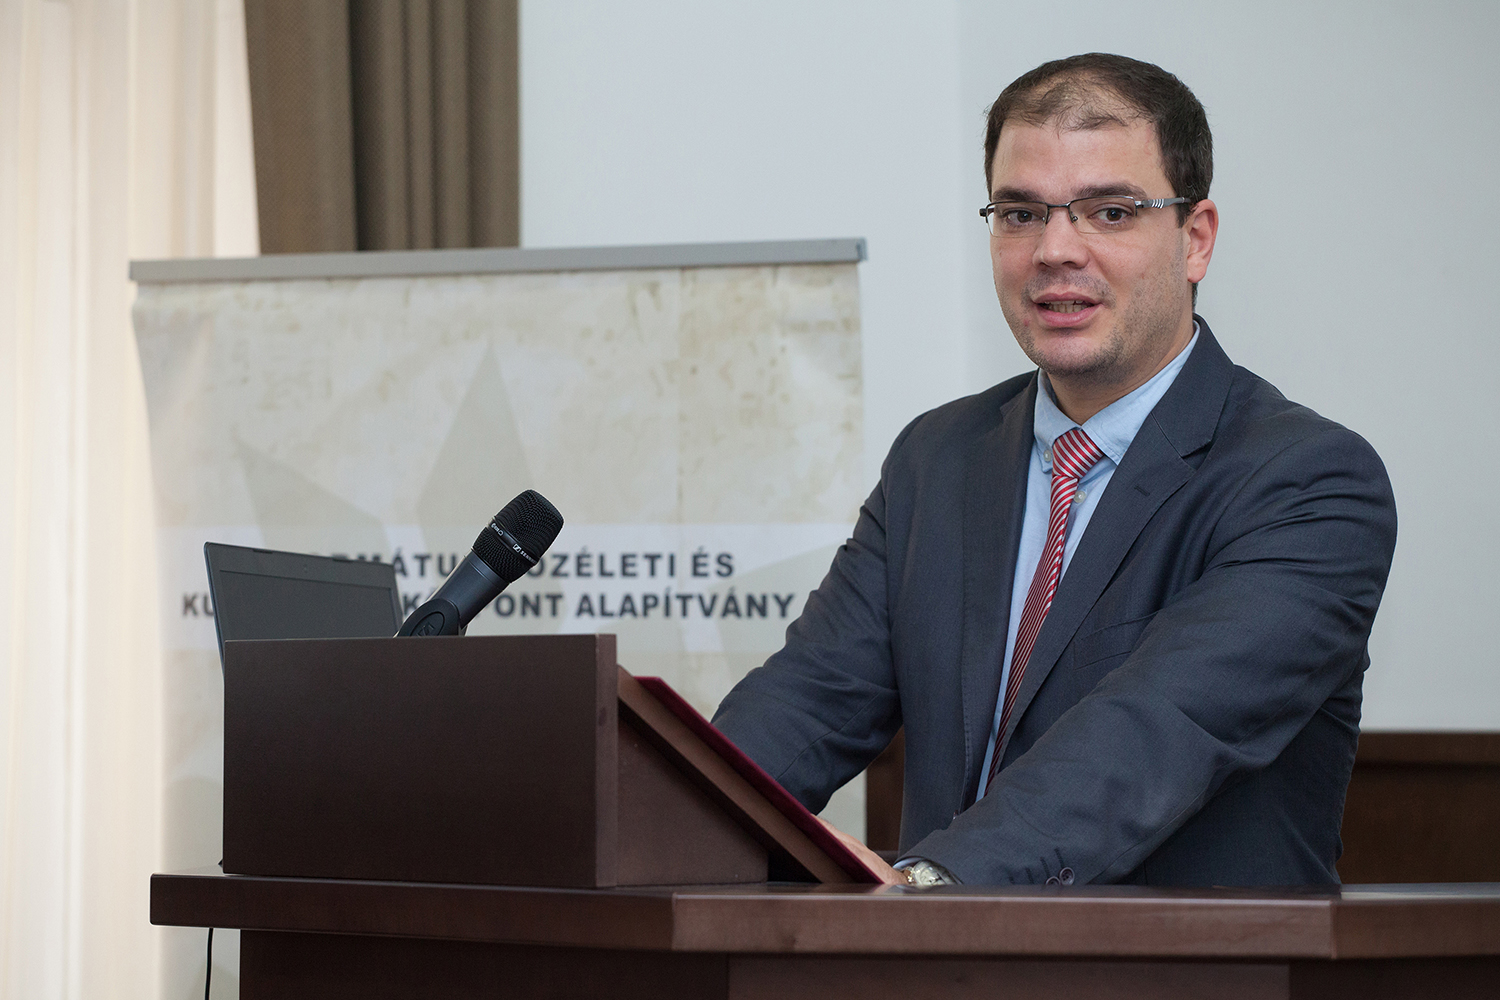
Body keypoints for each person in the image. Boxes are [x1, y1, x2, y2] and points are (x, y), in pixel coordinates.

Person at [711, 53, 1397, 888]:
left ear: (1196, 239)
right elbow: (807, 703)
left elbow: (1150, 738)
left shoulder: (1309, 483)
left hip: (1175, 959)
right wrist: (672, 823)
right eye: (1020, 213)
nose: (1054, 250)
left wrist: (929, 888)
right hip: (930, 951)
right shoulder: (937, 458)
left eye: (1110, 212)